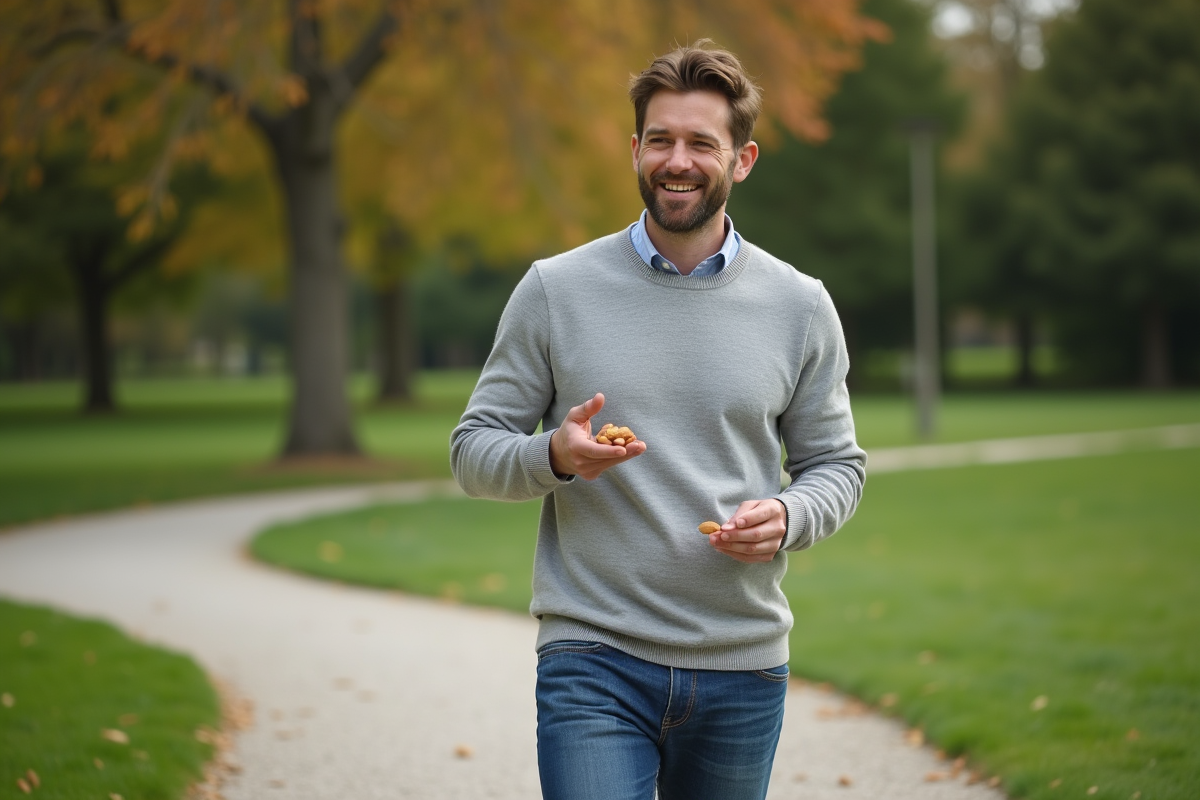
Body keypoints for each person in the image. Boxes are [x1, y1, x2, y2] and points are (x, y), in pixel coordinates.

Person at [450, 40, 866, 800]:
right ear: (635, 149)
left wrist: (787, 513)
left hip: (743, 663)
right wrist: (555, 455)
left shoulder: (800, 305)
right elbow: (472, 451)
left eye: (702, 143)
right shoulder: (554, 290)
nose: (679, 161)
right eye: (662, 140)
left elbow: (838, 466)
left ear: (742, 159)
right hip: (592, 656)